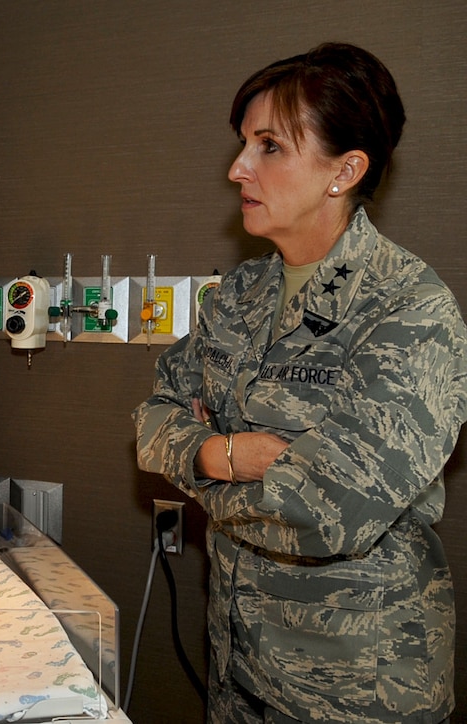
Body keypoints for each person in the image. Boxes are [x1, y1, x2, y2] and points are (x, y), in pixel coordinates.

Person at [135, 43, 466, 724]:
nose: (237, 169)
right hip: (236, 670)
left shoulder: (408, 310)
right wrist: (224, 453)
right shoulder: (238, 294)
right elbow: (151, 420)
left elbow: (329, 510)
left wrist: (197, 462)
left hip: (356, 690)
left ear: (345, 169)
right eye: (242, 145)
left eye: (269, 147)